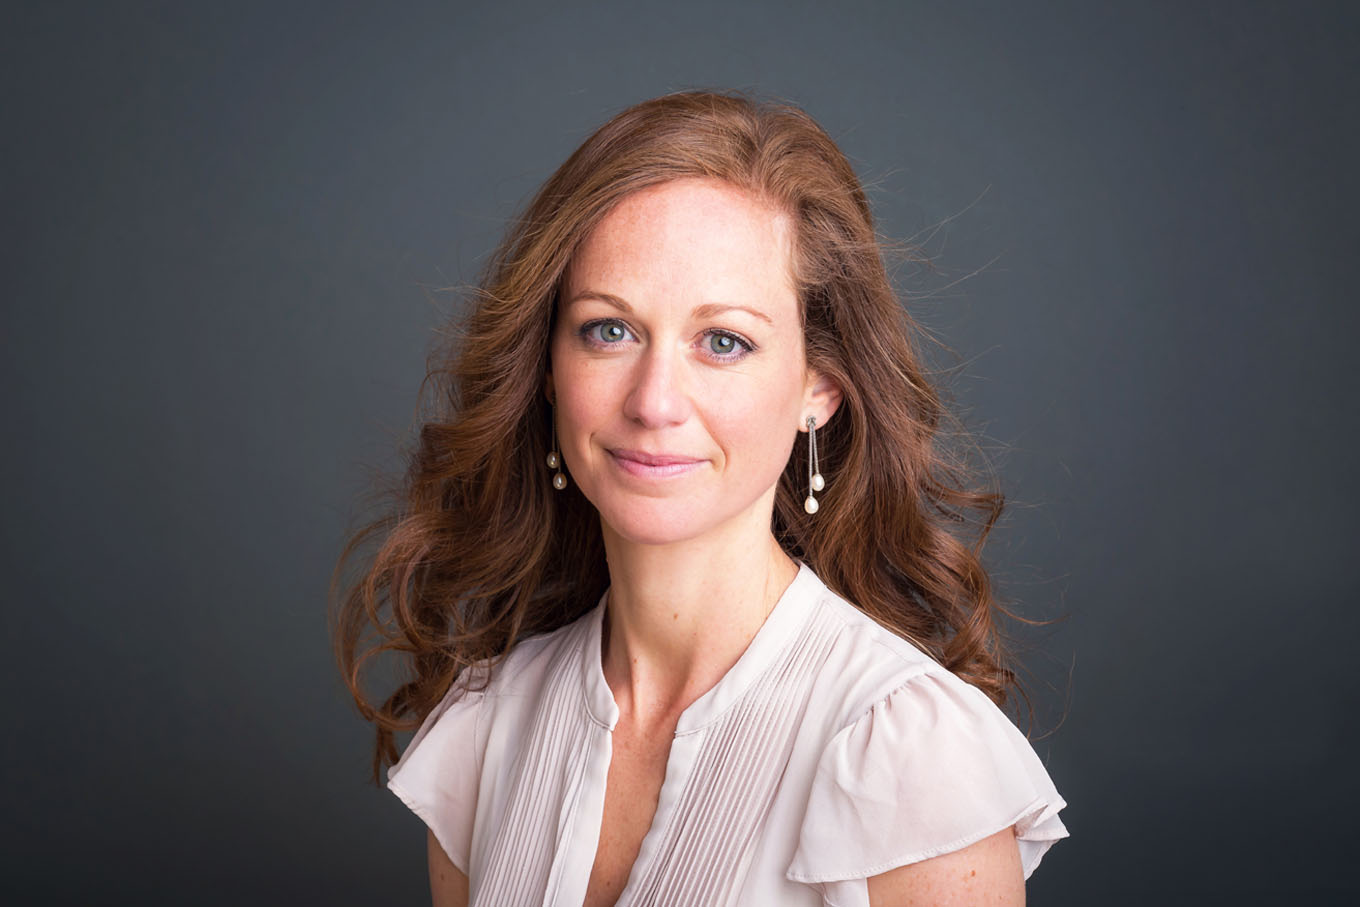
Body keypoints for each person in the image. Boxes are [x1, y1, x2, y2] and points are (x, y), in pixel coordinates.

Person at [332, 90, 1069, 906]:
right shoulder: (486, 722)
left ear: (819, 386)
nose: (654, 401)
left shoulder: (911, 754)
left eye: (724, 341)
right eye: (608, 329)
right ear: (546, 367)